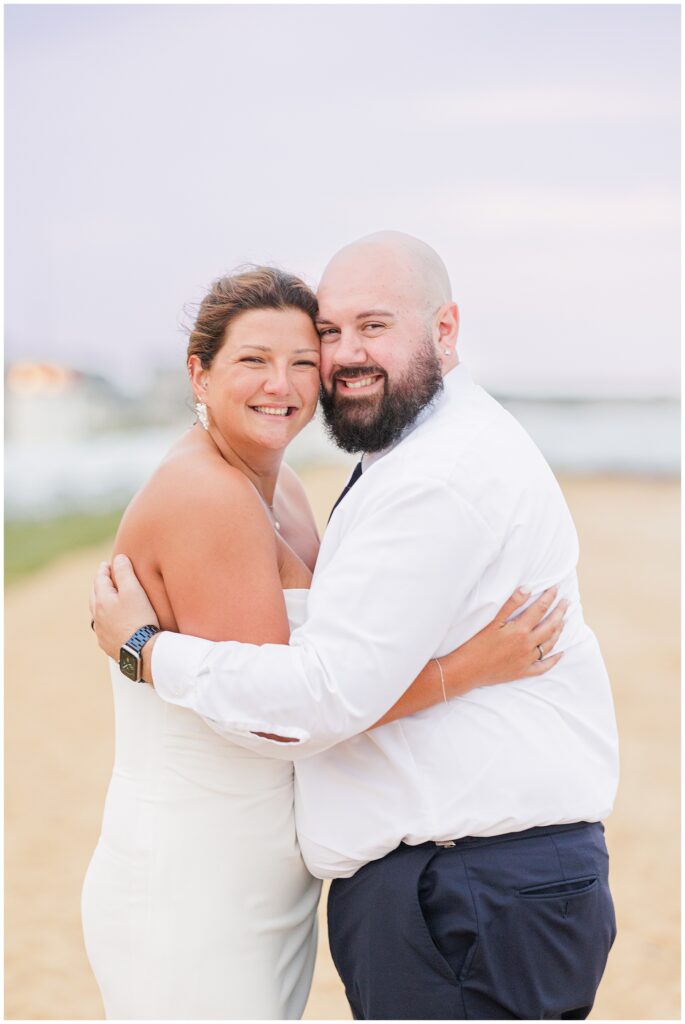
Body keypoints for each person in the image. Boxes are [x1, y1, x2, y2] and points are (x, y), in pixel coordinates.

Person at [83, 264, 563, 1021]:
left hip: (264, 867)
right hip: (198, 867)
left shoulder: (284, 490)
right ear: (198, 373)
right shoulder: (205, 494)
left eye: (304, 362)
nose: (283, 384)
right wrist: (460, 671)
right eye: (253, 361)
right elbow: (276, 719)